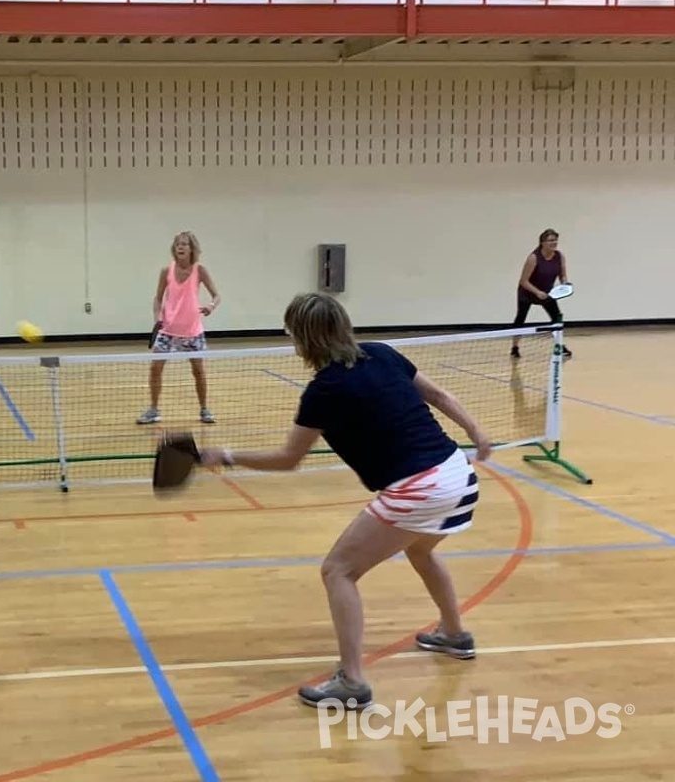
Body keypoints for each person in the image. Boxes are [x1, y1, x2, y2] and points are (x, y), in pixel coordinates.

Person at [196, 292, 493, 710]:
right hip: (457, 474)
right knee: (422, 551)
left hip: (419, 487)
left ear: (304, 340)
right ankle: (454, 634)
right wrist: (478, 432)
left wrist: (225, 456)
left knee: (339, 570)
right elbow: (440, 396)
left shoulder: (325, 390)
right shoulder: (382, 354)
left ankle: (352, 680)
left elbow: (288, 460)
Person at [136, 231, 221, 426]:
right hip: (167, 330)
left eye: (185, 244)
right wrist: (157, 318)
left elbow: (217, 295)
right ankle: (154, 410)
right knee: (155, 369)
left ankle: (204, 409)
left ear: (192, 249)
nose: (181, 247)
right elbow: (158, 298)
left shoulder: (200, 270)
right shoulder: (166, 271)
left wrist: (210, 306)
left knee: (198, 371)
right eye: (177, 244)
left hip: (192, 331)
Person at [511, 228, 572, 359]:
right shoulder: (533, 258)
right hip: (528, 292)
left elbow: (563, 275)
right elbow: (523, 281)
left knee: (557, 317)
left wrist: (565, 284)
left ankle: (560, 345)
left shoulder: (559, 256)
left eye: (555, 240)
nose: (554, 243)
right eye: (551, 240)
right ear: (542, 242)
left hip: (547, 293)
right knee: (520, 319)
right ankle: (515, 347)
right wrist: (537, 292)